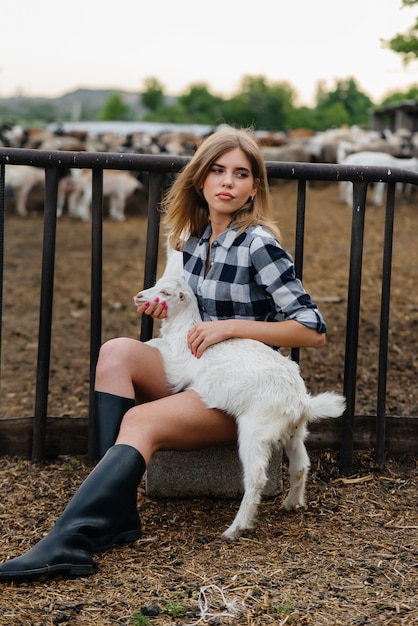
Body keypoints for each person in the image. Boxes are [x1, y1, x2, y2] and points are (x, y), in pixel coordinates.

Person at [0, 127, 327, 581]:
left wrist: (229, 327)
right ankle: (117, 518)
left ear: (255, 187)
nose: (227, 182)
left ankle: (70, 541)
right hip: (197, 368)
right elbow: (185, 304)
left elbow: (312, 329)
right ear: (200, 178)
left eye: (240, 173)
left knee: (140, 421)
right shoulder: (193, 239)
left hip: (236, 388)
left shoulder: (259, 245)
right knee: (115, 352)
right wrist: (165, 305)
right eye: (217, 170)